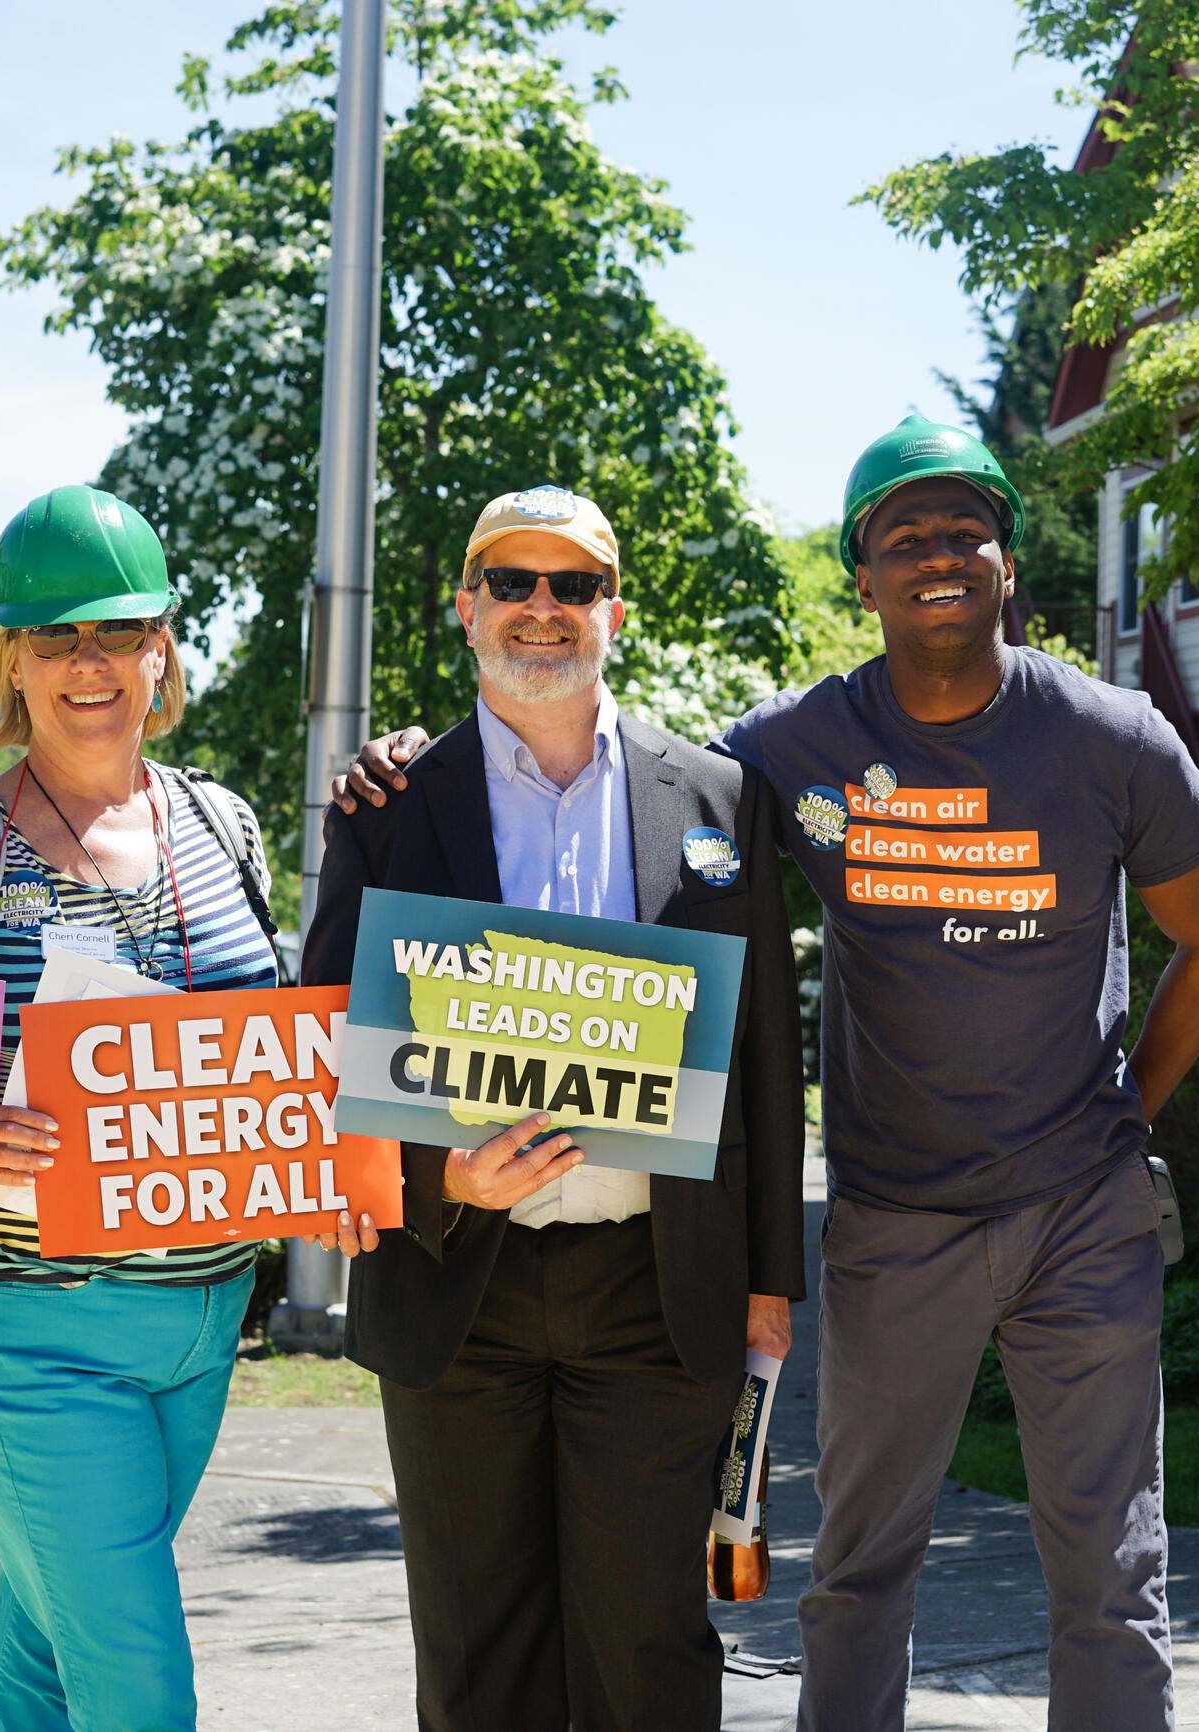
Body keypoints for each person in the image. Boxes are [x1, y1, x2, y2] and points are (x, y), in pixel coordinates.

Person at [333, 424, 1199, 1731]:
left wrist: (1125, 1119)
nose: (547, 609)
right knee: (831, 1579)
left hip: (1027, 1226)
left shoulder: (1089, 741)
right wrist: (393, 767)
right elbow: (352, 1042)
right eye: (903, 540)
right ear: (863, 578)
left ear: (1008, 558)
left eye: (578, 585)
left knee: (1105, 1576)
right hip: (859, 1227)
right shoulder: (754, 758)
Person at [301, 485, 805, 1732]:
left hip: (657, 1287)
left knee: (650, 1655)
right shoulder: (386, 805)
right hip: (453, 1281)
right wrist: (436, 1186)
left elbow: (765, 1056)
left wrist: (769, 1281)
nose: (542, 608)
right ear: (466, 606)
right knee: (482, 1666)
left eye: (571, 585)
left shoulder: (720, 798)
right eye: (513, 582)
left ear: (612, 611)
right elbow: (323, 1048)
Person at [0, 483, 295, 1730]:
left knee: (42, 1658)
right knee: (137, 1685)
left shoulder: (224, 823)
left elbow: (276, 1051)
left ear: (161, 647)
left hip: (203, 1320)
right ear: (11, 659)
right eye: (55, 635)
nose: (91, 662)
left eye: (118, 632)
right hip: (30, 1322)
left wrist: (322, 1165)